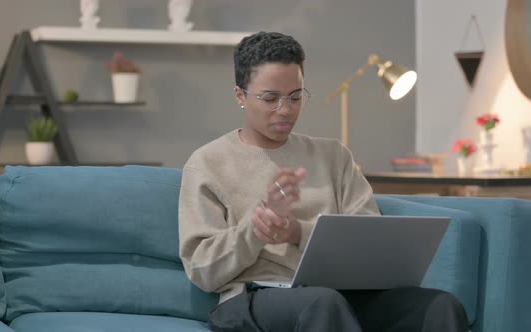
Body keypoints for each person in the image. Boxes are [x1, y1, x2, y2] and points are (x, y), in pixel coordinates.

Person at [179, 31, 468, 332]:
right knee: (323, 303)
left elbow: (367, 241)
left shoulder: (333, 156)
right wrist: (257, 227)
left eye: (295, 96)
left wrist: (296, 232)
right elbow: (203, 270)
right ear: (240, 95)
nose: (286, 109)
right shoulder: (208, 162)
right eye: (270, 98)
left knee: (439, 306)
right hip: (253, 298)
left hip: (339, 295)